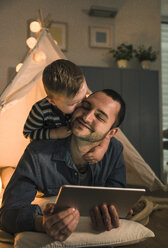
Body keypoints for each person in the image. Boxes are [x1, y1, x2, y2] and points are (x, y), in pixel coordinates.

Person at [0, 89, 126, 241]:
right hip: (35, 179)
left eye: (99, 117)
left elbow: (117, 197)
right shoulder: (38, 153)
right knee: (6, 175)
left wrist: (110, 214)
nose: (86, 117)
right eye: (85, 106)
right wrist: (42, 223)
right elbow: (7, 213)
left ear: (111, 133)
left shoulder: (115, 150)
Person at [23, 59, 109, 164]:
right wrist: (54, 133)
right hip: (47, 155)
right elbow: (29, 133)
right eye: (73, 104)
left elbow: (105, 130)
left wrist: (102, 148)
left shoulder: (86, 105)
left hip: (73, 153)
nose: (81, 105)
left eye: (84, 96)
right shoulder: (40, 110)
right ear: (53, 102)